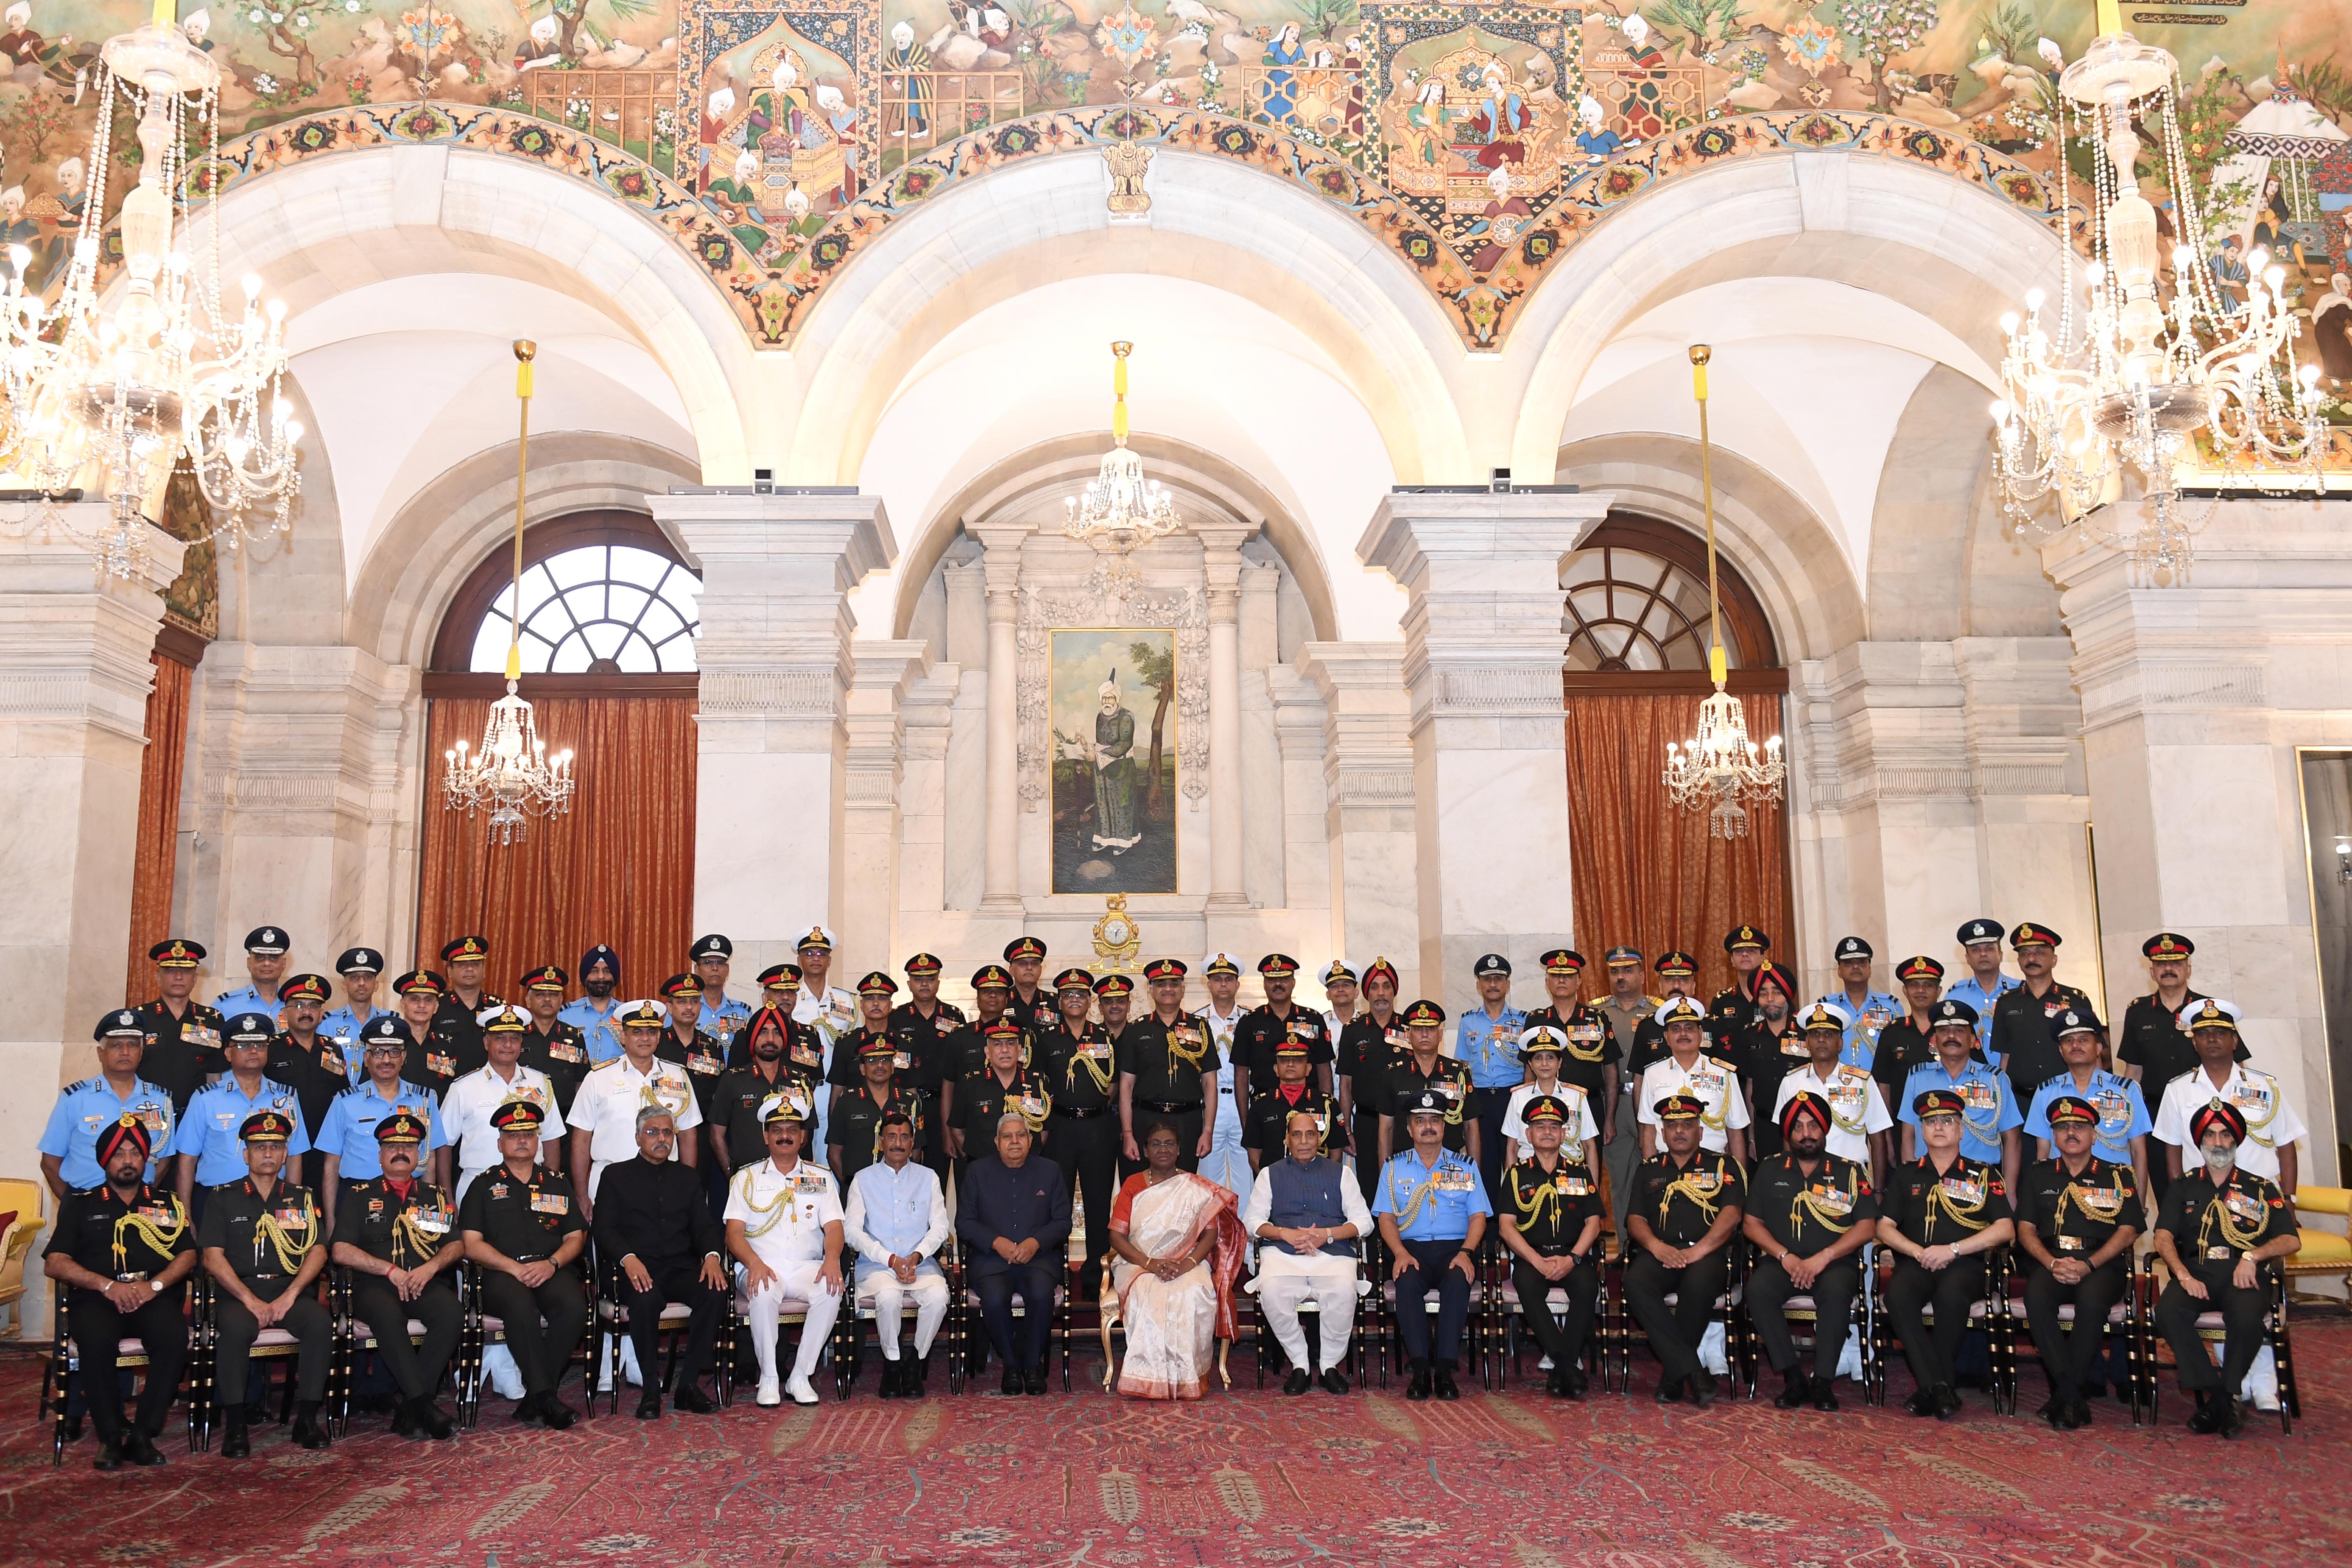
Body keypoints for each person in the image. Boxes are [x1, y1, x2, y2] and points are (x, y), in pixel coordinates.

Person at [46, 1115, 196, 1469]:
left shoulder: (166, 1204)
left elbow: (189, 1255)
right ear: (105, 1160)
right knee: (96, 1341)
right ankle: (110, 1438)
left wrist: (155, 1286)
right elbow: (55, 1262)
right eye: (119, 1154)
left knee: (174, 1336)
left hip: (151, 1297)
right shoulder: (81, 1204)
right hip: (99, 1299)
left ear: (146, 1160)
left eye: (136, 1154)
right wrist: (107, 1285)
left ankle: (143, 1435)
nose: (128, 1161)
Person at [2150, 1101, 2300, 1439]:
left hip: (2243, 1273)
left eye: (2225, 1135)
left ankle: (2220, 1399)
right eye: (2211, 1135)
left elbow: (2291, 1240)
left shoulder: (2261, 1188)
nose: (2218, 1143)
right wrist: (2183, 1275)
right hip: (2197, 1272)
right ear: (2200, 1142)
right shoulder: (2183, 1186)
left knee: (2246, 1319)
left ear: (2236, 1141)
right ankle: (2224, 1398)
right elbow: (2162, 1237)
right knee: (2169, 1313)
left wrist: (2253, 1256)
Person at [196, 1110, 330, 1455]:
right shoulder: (222, 1197)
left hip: (288, 1292)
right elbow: (212, 1257)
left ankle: (307, 1420)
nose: (268, 1153)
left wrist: (291, 1295)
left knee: (319, 1323)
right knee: (236, 1330)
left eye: (276, 1147)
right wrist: (249, 1300)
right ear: (246, 1155)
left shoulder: (302, 1198)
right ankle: (236, 1425)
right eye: (259, 1147)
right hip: (240, 1294)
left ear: (286, 1155)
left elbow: (318, 1252)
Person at [1878, 1088, 2014, 1419]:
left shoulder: (1984, 1174)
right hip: (1918, 1262)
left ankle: (1932, 1387)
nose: (1939, 1127)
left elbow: (2005, 1229)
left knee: (1951, 1296)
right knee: (1897, 1295)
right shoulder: (1907, 1174)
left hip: (1965, 1265)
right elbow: (1883, 1227)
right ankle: (1939, 1386)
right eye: (1931, 1122)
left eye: (1947, 1121)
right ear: (1922, 1131)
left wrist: (1953, 1250)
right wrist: (1917, 1251)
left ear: (1961, 1130)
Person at [328, 1111, 460, 1440]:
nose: (401, 1152)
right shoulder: (359, 1195)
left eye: (408, 1146)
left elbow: (456, 1245)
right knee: (388, 1316)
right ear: (380, 1155)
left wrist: (431, 1268)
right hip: (375, 1286)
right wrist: (388, 1270)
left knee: (452, 1313)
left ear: (418, 1155)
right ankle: (424, 1406)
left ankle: (410, 1411)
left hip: (422, 1282)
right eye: (392, 1146)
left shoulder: (435, 1197)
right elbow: (340, 1250)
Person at [1743, 1093, 1879, 1411]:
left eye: (1813, 1126)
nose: (1807, 1134)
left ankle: (1823, 1382)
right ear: (1788, 1134)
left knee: (1835, 1293)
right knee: (1758, 1290)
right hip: (1782, 1263)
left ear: (1825, 1130)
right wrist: (1785, 1257)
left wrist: (1824, 1257)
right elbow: (1751, 1224)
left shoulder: (1850, 1172)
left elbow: (1867, 1227)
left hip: (1833, 1263)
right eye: (1798, 1127)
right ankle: (1793, 1378)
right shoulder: (1770, 1169)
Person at [2014, 1094, 2143, 1430]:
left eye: (2079, 1127)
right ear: (2054, 1136)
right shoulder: (2039, 1174)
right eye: (2063, 1128)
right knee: (2036, 1298)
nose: (2071, 1133)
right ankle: (2071, 1395)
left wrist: (2090, 1265)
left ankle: (2065, 1395)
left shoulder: (2119, 1176)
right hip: (2051, 1261)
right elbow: (2025, 1230)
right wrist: (2051, 1263)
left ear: (2094, 1135)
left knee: (2092, 1301)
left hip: (2101, 1265)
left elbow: (2128, 1231)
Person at [458, 1100, 589, 1428]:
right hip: (501, 1274)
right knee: (521, 1308)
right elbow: (471, 1244)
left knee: (574, 1306)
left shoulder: (557, 1183)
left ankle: (535, 1399)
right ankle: (546, 1397)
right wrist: (514, 1269)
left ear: (538, 1141)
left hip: (550, 1268)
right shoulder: (482, 1185)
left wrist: (553, 1264)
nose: (522, 1141)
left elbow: (576, 1237)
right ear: (500, 1143)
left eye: (529, 1134)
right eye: (513, 1135)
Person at [591, 1105, 726, 1417]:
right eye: (653, 1132)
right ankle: (651, 1389)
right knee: (646, 1298)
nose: (661, 1139)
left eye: (667, 1133)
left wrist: (712, 1257)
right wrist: (628, 1259)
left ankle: (688, 1386)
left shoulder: (687, 1177)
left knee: (715, 1291)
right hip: (633, 1270)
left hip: (679, 1268)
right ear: (638, 1138)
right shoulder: (616, 1176)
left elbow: (704, 1227)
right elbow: (603, 1229)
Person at [1108, 1121, 1247, 1399]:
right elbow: (1116, 1237)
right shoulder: (1133, 1184)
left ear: (1179, 1149)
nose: (1163, 1149)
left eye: (1169, 1143)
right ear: (1146, 1151)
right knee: (1147, 1293)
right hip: (1139, 1263)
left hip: (1188, 1261)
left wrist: (1188, 1264)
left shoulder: (1194, 1185)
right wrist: (1150, 1264)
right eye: (1156, 1144)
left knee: (1194, 1291)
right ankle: (1149, 1378)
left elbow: (1210, 1234)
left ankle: (1187, 1377)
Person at [1623, 1094, 1747, 1407]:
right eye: (1672, 1126)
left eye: (1687, 1125)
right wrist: (1657, 1247)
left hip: (1707, 1255)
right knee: (1635, 1282)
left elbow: (1732, 1214)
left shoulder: (1723, 1165)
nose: (1679, 1131)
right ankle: (1693, 1372)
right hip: (1661, 1253)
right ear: (1663, 1133)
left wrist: (1698, 1251)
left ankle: (1673, 1377)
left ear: (1700, 1132)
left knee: (1697, 1286)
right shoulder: (1649, 1169)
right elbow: (1635, 1219)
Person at [725, 1101, 847, 1406]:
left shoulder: (821, 1177)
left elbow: (834, 1228)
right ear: (766, 1136)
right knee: (764, 1290)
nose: (785, 1136)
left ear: (803, 1137)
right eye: (777, 1130)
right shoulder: (747, 1178)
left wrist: (832, 1260)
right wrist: (754, 1264)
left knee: (832, 1289)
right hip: (760, 1265)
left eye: (792, 1130)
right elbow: (733, 1234)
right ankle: (769, 1377)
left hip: (806, 1266)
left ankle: (800, 1376)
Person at [1372, 1089, 1489, 1401]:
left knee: (1458, 1282)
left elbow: (1478, 1217)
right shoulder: (1393, 1168)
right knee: (1407, 1282)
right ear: (1409, 1129)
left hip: (1455, 1249)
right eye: (1420, 1121)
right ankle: (1422, 1370)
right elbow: (1386, 1218)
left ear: (1444, 1127)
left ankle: (1446, 1370)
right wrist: (1400, 1253)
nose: (1428, 1127)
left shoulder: (1466, 1167)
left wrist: (1466, 1253)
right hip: (1412, 1249)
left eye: (1435, 1120)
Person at [1245, 1107, 1371, 1394]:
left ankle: (1328, 1365)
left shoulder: (1342, 1174)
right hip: (1282, 1252)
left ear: (1320, 1139)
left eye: (1310, 1134)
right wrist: (1284, 1233)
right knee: (1272, 1291)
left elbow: (1364, 1222)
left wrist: (1327, 1235)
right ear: (1287, 1140)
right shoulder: (1269, 1175)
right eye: (1297, 1135)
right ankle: (1300, 1363)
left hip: (1332, 1253)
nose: (1304, 1141)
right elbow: (1252, 1222)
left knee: (1344, 1290)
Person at [1496, 1094, 1604, 1398]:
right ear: (1528, 1135)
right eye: (1540, 1127)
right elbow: (1506, 1227)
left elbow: (1594, 1224)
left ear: (1564, 1133)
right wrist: (1537, 1261)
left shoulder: (1580, 1173)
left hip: (1574, 1256)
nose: (1547, 1132)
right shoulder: (1516, 1175)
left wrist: (1572, 1258)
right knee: (1528, 1286)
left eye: (1554, 1127)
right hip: (1532, 1258)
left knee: (1587, 1286)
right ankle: (1568, 1365)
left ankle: (1561, 1366)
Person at [956, 1112, 1071, 1395]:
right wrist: (996, 1243)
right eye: (1007, 1136)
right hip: (991, 1260)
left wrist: (1035, 1243)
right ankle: (1010, 1365)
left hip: (1039, 1259)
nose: (1015, 1141)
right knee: (995, 1298)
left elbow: (1063, 1222)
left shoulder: (1050, 1171)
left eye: (1021, 1135)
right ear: (997, 1142)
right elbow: (964, 1223)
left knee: (1041, 1294)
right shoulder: (977, 1172)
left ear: (1031, 1140)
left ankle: (1032, 1365)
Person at [843, 1112, 952, 1396]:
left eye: (905, 1137)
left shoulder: (928, 1178)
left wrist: (917, 1256)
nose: (898, 1143)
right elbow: (852, 1232)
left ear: (913, 1142)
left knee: (939, 1298)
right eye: (892, 1137)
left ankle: (915, 1362)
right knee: (889, 1297)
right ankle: (892, 1365)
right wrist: (889, 1259)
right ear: (881, 1142)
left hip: (920, 1265)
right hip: (877, 1266)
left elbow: (940, 1227)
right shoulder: (863, 1179)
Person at [2152, 998, 2305, 1197]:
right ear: (2194, 1043)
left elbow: (2286, 1144)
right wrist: (2180, 1200)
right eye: (2203, 1034)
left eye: (2220, 1033)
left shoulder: (2264, 1086)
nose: (2211, 1039)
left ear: (2234, 1041)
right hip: (2202, 1199)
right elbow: (2173, 1150)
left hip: (2259, 1197)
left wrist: (2289, 1199)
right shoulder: (2177, 1090)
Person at [566, 999, 702, 1217]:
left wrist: (687, 1186)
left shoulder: (678, 1076)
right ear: (623, 1036)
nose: (645, 1039)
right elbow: (581, 1139)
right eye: (637, 1032)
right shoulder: (598, 1078)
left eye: (651, 1032)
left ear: (659, 1037)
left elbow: (688, 1135)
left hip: (666, 1182)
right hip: (610, 1182)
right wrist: (581, 1194)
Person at [315, 1022, 449, 1233]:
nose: (386, 1060)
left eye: (394, 1052)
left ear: (404, 1057)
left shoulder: (425, 1100)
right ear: (365, 1059)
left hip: (410, 1196)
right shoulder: (345, 1102)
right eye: (377, 1052)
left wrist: (426, 1203)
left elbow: (430, 1160)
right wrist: (331, 1222)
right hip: (356, 1198)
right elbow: (331, 1166)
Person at [1040, 966, 1119, 1296]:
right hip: (1059, 1128)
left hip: (1097, 1128)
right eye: (1068, 995)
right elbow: (1038, 1084)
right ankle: (1054, 1270)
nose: (1075, 999)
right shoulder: (1046, 1039)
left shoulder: (1104, 1037)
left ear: (1090, 1002)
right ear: (1059, 1002)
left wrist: (1092, 1107)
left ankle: (1095, 1274)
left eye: (1081, 995)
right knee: (1056, 1202)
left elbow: (1113, 1083)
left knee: (1098, 1202)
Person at [174, 1012, 307, 1209]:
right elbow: (187, 1161)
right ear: (228, 1054)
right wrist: (186, 1214)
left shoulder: (287, 1098)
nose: (253, 1051)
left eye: (260, 1045)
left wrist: (292, 1207)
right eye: (244, 1046)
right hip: (216, 1201)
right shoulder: (206, 1098)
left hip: (272, 1199)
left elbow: (294, 1157)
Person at [43, 1011, 177, 1203]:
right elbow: (50, 1162)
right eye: (116, 1045)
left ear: (142, 1052)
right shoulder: (75, 1099)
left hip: (139, 1207)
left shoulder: (161, 1101)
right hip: (85, 1203)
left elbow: (164, 1161)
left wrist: (138, 1200)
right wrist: (72, 1207)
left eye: (133, 1045)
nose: (125, 1052)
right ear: (100, 1053)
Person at [1897, 999, 2023, 1200]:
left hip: (1981, 1182)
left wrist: (2010, 1193)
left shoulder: (1994, 1080)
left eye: (1959, 1031)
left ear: (1973, 1040)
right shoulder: (1917, 1077)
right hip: (1929, 1181)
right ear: (1934, 1040)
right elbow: (1908, 1135)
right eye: (1944, 1031)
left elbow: (2012, 1139)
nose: (1951, 1036)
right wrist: (1909, 1184)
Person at [2025, 1005, 2152, 1196]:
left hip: (2114, 1192)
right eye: (2069, 1041)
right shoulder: (2046, 1092)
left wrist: (2139, 1204)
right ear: (2061, 1050)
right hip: (2063, 1193)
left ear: (2099, 1048)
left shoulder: (2127, 1091)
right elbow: (2043, 1154)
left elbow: (2138, 1152)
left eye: (2083, 1040)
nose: (2076, 1046)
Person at [440, 1006, 561, 1203]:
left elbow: (552, 1138)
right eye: (500, 1038)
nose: (508, 1045)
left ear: (522, 1042)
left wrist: (550, 1186)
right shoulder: (463, 1087)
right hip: (477, 1188)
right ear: (486, 1042)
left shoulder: (540, 1083)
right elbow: (445, 1144)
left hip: (532, 1187)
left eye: (515, 1038)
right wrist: (447, 1197)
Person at [1772, 1001, 1894, 1181]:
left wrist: (1878, 1190)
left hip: (1853, 1177)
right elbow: (1787, 1139)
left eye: (1829, 1035)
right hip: (1806, 1179)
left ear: (1840, 1044)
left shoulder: (1862, 1082)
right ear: (1807, 1043)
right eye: (1815, 1034)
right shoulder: (1791, 1082)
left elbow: (1878, 1138)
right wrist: (1791, 1182)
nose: (1821, 1040)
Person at [1117, 958, 1217, 1176]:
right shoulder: (1136, 1029)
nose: (1168, 989)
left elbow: (1210, 1083)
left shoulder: (1200, 1027)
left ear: (1183, 989)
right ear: (1151, 990)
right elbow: (1126, 1086)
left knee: (1184, 1188)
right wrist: (1128, 1134)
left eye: (1174, 983)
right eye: (1161, 984)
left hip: (1187, 1122)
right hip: (1145, 1120)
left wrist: (1208, 1131)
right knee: (1144, 1188)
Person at [1591, 947, 1655, 1238]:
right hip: (1613, 1107)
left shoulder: (1658, 1013)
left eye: (1628, 971)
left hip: (1650, 1106)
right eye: (1615, 972)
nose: (1621, 977)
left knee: (1654, 1177)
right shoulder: (1596, 1014)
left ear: (1642, 975)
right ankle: (1625, 1245)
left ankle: (1652, 1245)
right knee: (1619, 1181)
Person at [1636, 997, 1748, 1162]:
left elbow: (1735, 1130)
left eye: (1689, 1028)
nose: (1683, 1034)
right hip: (1667, 1165)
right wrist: (1651, 1172)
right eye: (1676, 1029)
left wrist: (1740, 1175)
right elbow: (1649, 1130)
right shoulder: (1653, 1074)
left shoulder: (1724, 1073)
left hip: (1713, 1164)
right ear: (1667, 1037)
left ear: (1700, 1034)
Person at [265, 976, 351, 1189]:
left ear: (321, 1013)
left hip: (324, 1144)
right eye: (299, 1006)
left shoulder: (332, 1049)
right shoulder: (271, 1049)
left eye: (313, 1006)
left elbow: (343, 1095)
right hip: (284, 1143)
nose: (306, 1012)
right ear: (285, 1013)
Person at [1989, 922, 2093, 1097]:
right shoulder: (2006, 1002)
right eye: (2025, 954)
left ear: (2054, 960)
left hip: (2066, 1095)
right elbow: (2005, 1058)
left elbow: (2092, 1054)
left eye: (2039, 953)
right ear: (2019, 962)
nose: (2031, 959)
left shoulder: (2076, 1000)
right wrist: (2003, 1096)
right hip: (2021, 1098)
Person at [1334, 956, 1405, 1205]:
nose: (1381, 993)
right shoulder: (1353, 1030)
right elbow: (1346, 1084)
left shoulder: (1409, 1028)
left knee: (1404, 1184)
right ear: (1366, 994)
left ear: (1394, 991)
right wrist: (1347, 1129)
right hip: (1367, 1123)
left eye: (1386, 986)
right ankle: (1373, 1232)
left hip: (1404, 1123)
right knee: (1370, 1188)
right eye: (1375, 987)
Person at [1455, 952, 1527, 1199]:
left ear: (1508, 984)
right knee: (1484, 1165)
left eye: (1498, 979)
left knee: (1516, 1164)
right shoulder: (1468, 1022)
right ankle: (1489, 1223)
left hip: (1512, 1097)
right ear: (1479, 986)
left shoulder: (1523, 1021)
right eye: (1487, 979)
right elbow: (1463, 1066)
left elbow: (1530, 1066)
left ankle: (1515, 1219)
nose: (1493, 984)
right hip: (1480, 1100)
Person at [133, 936, 227, 1118]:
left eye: (186, 971)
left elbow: (214, 1077)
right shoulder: (139, 1019)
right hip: (147, 1114)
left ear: (195, 979)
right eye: (170, 971)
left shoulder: (212, 1020)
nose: (178, 977)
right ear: (158, 978)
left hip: (195, 1116)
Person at [1377, 998, 1476, 1166]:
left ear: (1441, 1035)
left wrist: (1475, 1172)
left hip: (1452, 1165)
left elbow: (1471, 1127)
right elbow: (1386, 1129)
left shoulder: (1459, 1073)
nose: (1424, 1034)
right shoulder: (1393, 1073)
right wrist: (1385, 1173)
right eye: (1418, 1029)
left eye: (1431, 1029)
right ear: (1408, 1035)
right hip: (1405, 1164)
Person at [710, 1003, 804, 1179]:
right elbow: (717, 1135)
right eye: (763, 1032)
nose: (770, 1039)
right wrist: (732, 1175)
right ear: (753, 1038)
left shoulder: (799, 1081)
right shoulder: (732, 1080)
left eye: (777, 1033)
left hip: (790, 1177)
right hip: (746, 1179)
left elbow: (806, 1133)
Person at [1235, 951, 1334, 1108]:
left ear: (1293, 983)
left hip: (1308, 1105)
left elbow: (1324, 1070)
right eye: (1272, 980)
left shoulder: (1313, 1019)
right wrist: (1246, 1120)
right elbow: (1241, 1076)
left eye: (1284, 979)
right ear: (1264, 984)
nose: (1278, 984)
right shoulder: (1249, 1022)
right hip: (1264, 1107)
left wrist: (1326, 1110)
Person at [830, 1030, 927, 1184]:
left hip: (899, 1189)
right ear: (862, 1069)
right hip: (858, 1190)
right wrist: (853, 1187)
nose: (880, 1065)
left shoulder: (911, 1103)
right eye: (872, 1061)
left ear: (893, 1067)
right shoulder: (846, 1102)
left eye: (885, 1060)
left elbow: (916, 1152)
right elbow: (834, 1154)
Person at [1497, 1027, 1600, 1170]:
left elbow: (1589, 1146)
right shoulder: (1519, 1096)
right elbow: (1512, 1148)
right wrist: (1512, 1181)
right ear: (1531, 1064)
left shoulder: (1577, 1096)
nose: (1544, 1064)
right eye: (1538, 1058)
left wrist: (1592, 1184)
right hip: (1529, 1172)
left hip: (1569, 1172)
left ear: (1560, 1062)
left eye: (1550, 1057)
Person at [1730, 963, 1803, 1160]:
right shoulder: (1750, 1036)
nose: (1770, 999)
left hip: (1801, 1124)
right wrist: (1751, 1137)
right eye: (1764, 994)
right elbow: (1750, 1087)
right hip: (1764, 1127)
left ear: (1788, 995)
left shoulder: (1806, 1034)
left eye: (1777, 993)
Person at [1193, 952, 1252, 1195]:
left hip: (1244, 1103)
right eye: (1218, 980)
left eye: (1229, 979)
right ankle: (1213, 1222)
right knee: (1208, 1177)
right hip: (1209, 1103)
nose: (1223, 984)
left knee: (1247, 1173)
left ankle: (1246, 1222)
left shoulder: (1251, 1019)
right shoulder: (1196, 1022)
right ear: (1209, 985)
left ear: (1237, 984)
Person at [1244, 1038, 1347, 1172]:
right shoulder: (1261, 1105)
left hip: (1317, 1180)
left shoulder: (1327, 1104)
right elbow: (1254, 1155)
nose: (1291, 1064)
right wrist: (1270, 1181)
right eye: (1284, 1061)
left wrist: (1323, 1179)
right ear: (1276, 1069)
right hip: (1274, 1181)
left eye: (1298, 1060)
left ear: (1308, 1069)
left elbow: (1336, 1153)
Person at [1873, 956, 1956, 1106]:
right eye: (1914, 985)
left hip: (1948, 1116)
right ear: (1905, 991)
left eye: (1928, 985)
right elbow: (1884, 1085)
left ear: (1939, 991)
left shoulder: (1955, 1031)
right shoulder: (1892, 1032)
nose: (1921, 990)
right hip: (1902, 1118)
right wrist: (1887, 1121)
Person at [515, 964, 591, 1127]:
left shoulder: (574, 1037)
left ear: (562, 1000)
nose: (548, 1000)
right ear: (528, 1001)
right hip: (523, 1120)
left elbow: (581, 1083)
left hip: (566, 1121)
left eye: (554, 995)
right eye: (540, 995)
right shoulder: (517, 1036)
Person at [1818, 936, 1902, 1068]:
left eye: (1862, 962)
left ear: (1870, 970)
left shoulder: (1892, 1006)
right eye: (1849, 963)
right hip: (1838, 1080)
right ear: (1839, 971)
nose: (1856, 966)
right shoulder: (1826, 1007)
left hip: (1879, 1080)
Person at [1948, 919, 2018, 1060]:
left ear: (2001, 955)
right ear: (1967, 958)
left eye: (1989, 949)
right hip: (1970, 1073)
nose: (1983, 954)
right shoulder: (1955, 997)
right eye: (1976, 950)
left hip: (2015, 1072)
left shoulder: (2020, 992)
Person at [433, 935, 499, 1078]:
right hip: (445, 1084)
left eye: (475, 964)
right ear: (449, 972)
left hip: (489, 1085)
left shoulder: (497, 1008)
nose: (470, 969)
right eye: (462, 965)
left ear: (484, 970)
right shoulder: (437, 1006)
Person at [320, 947, 391, 1079]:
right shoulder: (327, 1024)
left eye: (368, 977)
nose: (362, 983)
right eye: (355, 978)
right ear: (344, 985)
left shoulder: (390, 1022)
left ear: (376, 985)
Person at [558, 945, 627, 1064]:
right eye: (594, 971)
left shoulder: (627, 1014)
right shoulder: (565, 1015)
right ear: (585, 977)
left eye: (607, 971)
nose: (601, 977)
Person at [212, 926, 292, 1023]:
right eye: (260, 958)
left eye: (273, 958)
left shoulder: (295, 1005)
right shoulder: (225, 1005)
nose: (267, 963)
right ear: (249, 963)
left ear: (284, 964)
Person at [690, 933, 752, 1050]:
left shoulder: (743, 1012)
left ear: (727, 970)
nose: (715, 968)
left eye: (720, 963)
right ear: (697, 970)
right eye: (708, 963)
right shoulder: (684, 1008)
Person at [1708, 924, 1771, 1032]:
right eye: (1739, 951)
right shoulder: (1722, 1001)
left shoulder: (1774, 998)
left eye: (1751, 951)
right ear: (1732, 961)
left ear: (1762, 958)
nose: (1745, 954)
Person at [1003, 935, 1051, 1036]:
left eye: (1035, 964)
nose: (1029, 968)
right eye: (1023, 964)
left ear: (1041, 969)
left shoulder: (1054, 1003)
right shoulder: (1002, 1001)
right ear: (1011, 970)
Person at [1320, 960, 1359, 1036]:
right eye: (1334, 986)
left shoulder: (1368, 1022)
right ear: (1328, 995)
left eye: (1346, 985)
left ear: (1356, 993)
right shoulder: (1321, 1022)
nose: (1340, 989)